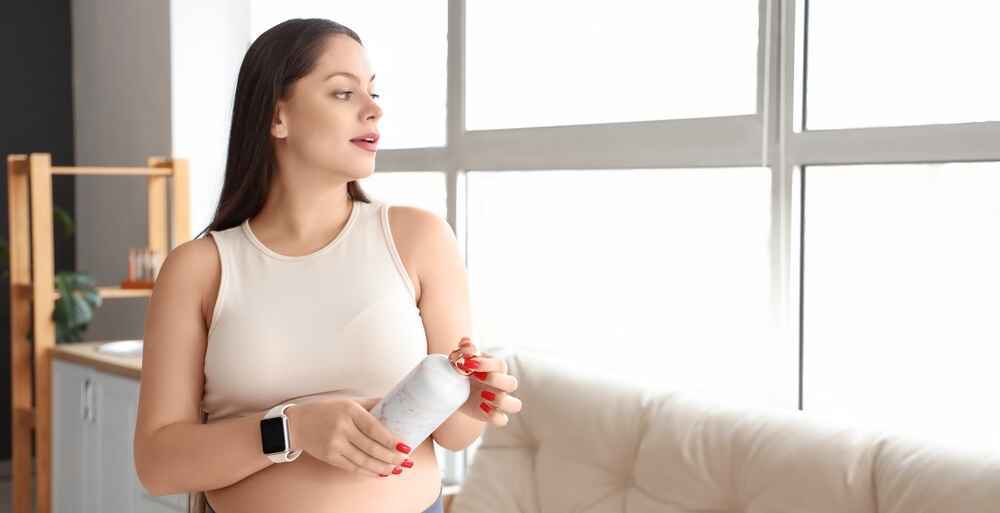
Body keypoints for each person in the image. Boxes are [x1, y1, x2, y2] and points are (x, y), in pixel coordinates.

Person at [133, 18, 522, 513]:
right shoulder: (199, 268)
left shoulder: (419, 239)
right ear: (278, 117)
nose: (374, 109)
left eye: (374, 92)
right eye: (343, 93)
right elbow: (158, 464)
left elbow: (452, 435)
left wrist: (468, 400)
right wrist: (291, 427)